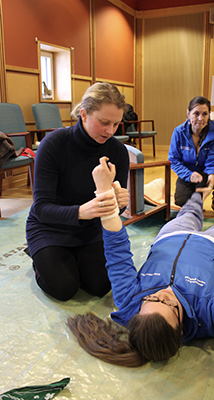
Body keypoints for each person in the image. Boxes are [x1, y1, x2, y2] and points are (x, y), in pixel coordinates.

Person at [67, 157, 214, 368]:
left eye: (152, 298)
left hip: (171, 236)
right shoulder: (211, 317)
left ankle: (200, 193)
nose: (164, 294)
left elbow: (116, 250)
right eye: (170, 306)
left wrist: (104, 193)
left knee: (189, 210)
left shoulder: (128, 300)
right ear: (181, 329)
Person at [26, 82, 130, 301]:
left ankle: (70, 261)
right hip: (49, 227)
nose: (110, 131)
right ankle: (39, 258)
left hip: (89, 229)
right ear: (84, 114)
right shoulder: (53, 144)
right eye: (104, 122)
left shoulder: (118, 151)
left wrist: (121, 202)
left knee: (101, 285)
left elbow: (115, 211)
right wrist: (82, 211)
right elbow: (41, 208)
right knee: (63, 289)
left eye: (116, 124)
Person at [168, 96, 214, 218]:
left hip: (206, 171)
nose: (201, 118)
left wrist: (210, 186)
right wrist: (189, 175)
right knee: (181, 200)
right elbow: (174, 160)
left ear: (209, 114)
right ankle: (195, 198)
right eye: (196, 114)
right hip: (188, 172)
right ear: (188, 113)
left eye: (205, 114)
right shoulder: (178, 132)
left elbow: (212, 163)